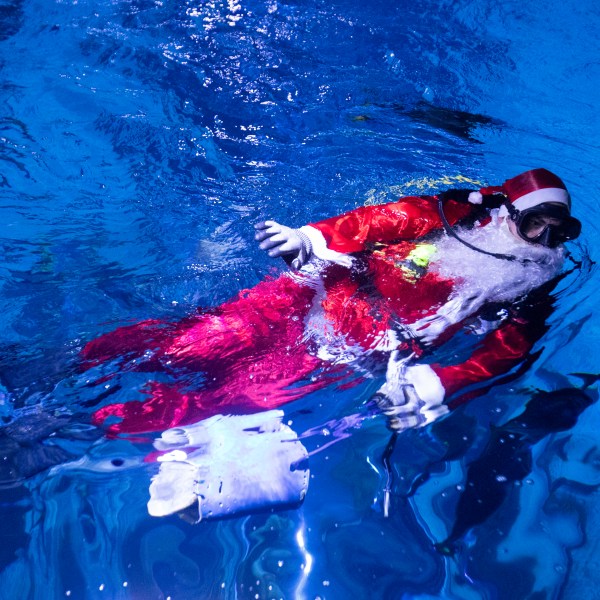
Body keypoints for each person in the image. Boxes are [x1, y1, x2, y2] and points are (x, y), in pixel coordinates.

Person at [82, 167, 581, 438]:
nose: (544, 239)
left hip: (354, 344)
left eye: (560, 230)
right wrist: (312, 237)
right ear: (506, 212)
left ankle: (81, 426)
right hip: (314, 290)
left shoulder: (537, 277)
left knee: (240, 398)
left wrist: (444, 381)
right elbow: (383, 220)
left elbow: (511, 347)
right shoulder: (454, 214)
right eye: (534, 223)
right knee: (193, 344)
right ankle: (74, 363)